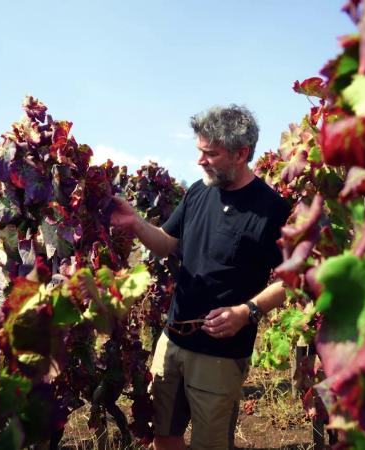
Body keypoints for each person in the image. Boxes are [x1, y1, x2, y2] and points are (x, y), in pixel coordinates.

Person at [111, 105, 291, 450]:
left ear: (241, 153)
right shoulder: (198, 191)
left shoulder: (273, 210)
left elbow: (292, 278)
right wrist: (135, 223)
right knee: (163, 434)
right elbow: (167, 244)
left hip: (220, 355)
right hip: (173, 339)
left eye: (211, 153)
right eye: (199, 151)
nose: (200, 161)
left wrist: (247, 311)